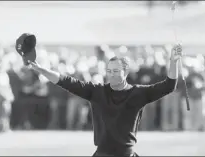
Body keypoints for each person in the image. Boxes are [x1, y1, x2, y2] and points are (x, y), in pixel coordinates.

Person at [24, 44, 182, 156]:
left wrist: (173, 62)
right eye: (109, 71)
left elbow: (169, 86)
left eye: (116, 71)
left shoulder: (137, 93)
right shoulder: (97, 91)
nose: (111, 74)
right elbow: (66, 81)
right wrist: (42, 70)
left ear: (126, 72)